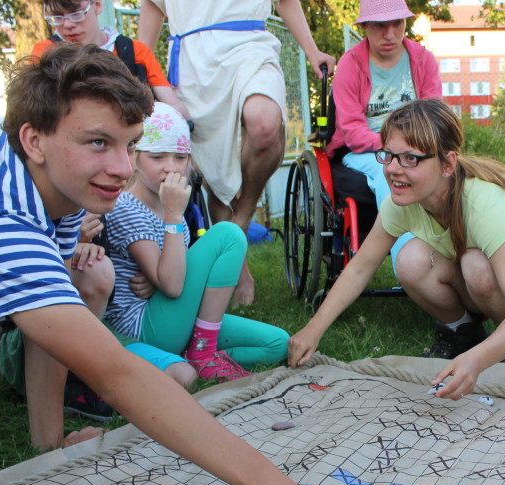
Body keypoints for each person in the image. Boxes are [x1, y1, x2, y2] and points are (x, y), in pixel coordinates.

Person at [0, 44, 355, 485]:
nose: (121, 168)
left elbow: (50, 323)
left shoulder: (56, 176)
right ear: (34, 140)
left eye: (130, 144)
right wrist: (264, 481)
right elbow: (115, 372)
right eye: (98, 142)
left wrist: (47, 449)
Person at [289, 99, 505, 396]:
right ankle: (464, 333)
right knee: (410, 259)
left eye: (410, 159)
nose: (393, 169)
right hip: (472, 262)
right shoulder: (401, 201)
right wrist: (312, 329)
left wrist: (476, 361)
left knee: (477, 266)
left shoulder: (482, 201)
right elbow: (359, 269)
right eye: (388, 155)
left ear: (447, 164)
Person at [138, 0, 335, 307]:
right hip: (195, 64)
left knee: (265, 123)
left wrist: (311, 51)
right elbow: (152, 6)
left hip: (251, 46)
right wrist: (140, 69)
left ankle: (243, 216)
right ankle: (238, 274)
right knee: (216, 172)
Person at [103, 102, 289, 381]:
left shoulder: (170, 205)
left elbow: (173, 274)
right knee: (228, 235)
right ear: (135, 158)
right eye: (157, 157)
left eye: (180, 157)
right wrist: (173, 214)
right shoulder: (128, 208)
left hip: (173, 315)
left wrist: (156, 281)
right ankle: (203, 353)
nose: (170, 167)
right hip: (145, 328)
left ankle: (197, 353)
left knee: (277, 343)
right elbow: (173, 285)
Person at [328, 0, 442, 273]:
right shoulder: (350, 65)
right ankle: (408, 267)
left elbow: (434, 117)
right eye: (380, 25)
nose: (390, 34)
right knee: (390, 172)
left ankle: (450, 253)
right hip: (363, 151)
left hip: (416, 148)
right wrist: (395, 150)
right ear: (366, 26)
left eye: (397, 24)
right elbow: (352, 130)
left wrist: (412, 149)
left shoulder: (423, 60)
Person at [32, 0, 190, 120]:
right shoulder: (44, 53)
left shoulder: (135, 51)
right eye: (57, 17)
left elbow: (174, 107)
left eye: (76, 13)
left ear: (97, 5)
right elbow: (34, 108)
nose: (68, 24)